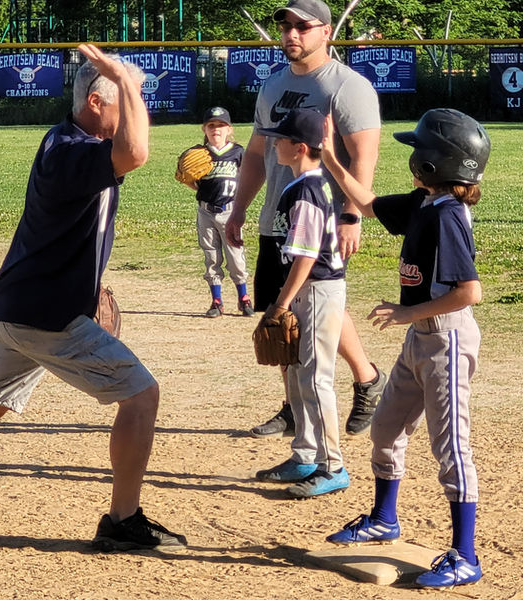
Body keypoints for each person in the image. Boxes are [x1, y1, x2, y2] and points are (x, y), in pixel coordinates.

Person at [0, 44, 186, 552]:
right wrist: (122, 78)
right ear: (94, 102)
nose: (138, 114)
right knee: (141, 396)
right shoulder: (71, 151)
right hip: (44, 316)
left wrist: (125, 84)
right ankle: (122, 520)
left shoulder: (73, 142)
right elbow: (136, 153)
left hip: (20, 308)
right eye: (127, 102)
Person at [320, 108, 491, 588]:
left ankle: (465, 556)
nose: (412, 157)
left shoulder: (449, 216)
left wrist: (405, 312)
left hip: (447, 340)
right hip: (421, 339)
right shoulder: (425, 202)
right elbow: (370, 205)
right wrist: (330, 157)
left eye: (418, 150)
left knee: (450, 447)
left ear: (434, 163)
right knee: (386, 429)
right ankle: (384, 518)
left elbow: (469, 292)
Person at [226, 0, 386, 439]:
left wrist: (351, 215)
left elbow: (364, 156)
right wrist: (239, 209)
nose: (291, 34)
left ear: (326, 31)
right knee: (283, 316)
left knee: (316, 305)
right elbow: (256, 153)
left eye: (302, 26)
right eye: (285, 26)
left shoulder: (347, 86)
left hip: (322, 215)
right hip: (276, 217)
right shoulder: (273, 85)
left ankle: (366, 379)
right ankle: (295, 405)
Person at [253, 107, 349, 498]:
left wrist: (280, 305)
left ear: (300, 148)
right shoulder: (302, 184)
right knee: (296, 374)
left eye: (282, 139)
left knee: (315, 378)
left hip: (318, 289)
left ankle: (333, 465)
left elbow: (307, 257)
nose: (275, 144)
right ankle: (305, 455)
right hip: (306, 290)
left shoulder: (308, 190)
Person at [177, 106, 254, 318]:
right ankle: (217, 301)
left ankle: (244, 298)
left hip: (230, 211)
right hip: (205, 212)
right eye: (211, 125)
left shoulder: (238, 152)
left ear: (229, 129)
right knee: (211, 257)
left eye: (221, 125)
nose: (216, 129)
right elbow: (187, 179)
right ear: (204, 129)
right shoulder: (199, 154)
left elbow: (247, 179)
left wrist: (241, 205)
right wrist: (198, 189)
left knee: (235, 257)